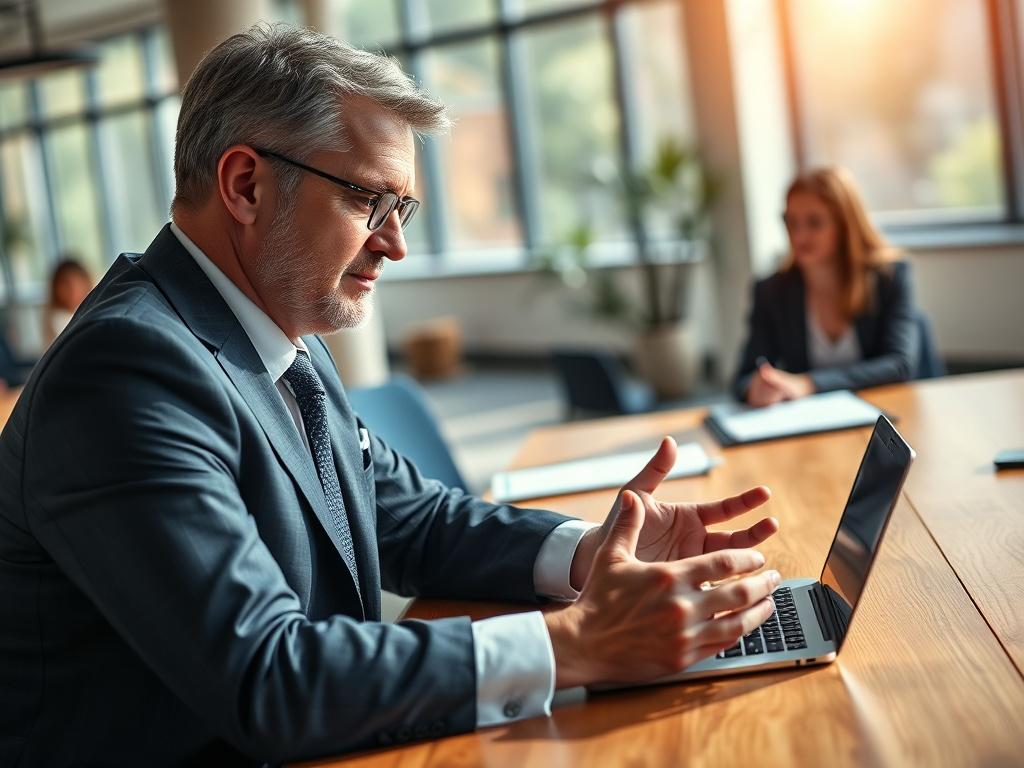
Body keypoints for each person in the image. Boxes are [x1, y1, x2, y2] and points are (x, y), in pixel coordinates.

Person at [0, 25, 781, 766]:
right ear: (245, 184)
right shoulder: (126, 371)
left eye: (400, 208)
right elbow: (266, 675)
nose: (395, 243)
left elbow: (409, 516)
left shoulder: (275, 332)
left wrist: (588, 555)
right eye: (367, 199)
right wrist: (577, 643)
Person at [733, 167, 919, 406]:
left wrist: (809, 384)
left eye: (814, 222)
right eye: (791, 222)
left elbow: (899, 365)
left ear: (844, 225)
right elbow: (742, 379)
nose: (799, 236)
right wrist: (756, 388)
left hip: (890, 414)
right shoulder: (771, 291)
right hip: (816, 425)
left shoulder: (889, 276)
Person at [41, 257, 93, 346]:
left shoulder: (88, 311)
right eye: (66, 285)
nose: (73, 291)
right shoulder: (57, 320)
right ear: (55, 288)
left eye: (78, 284)